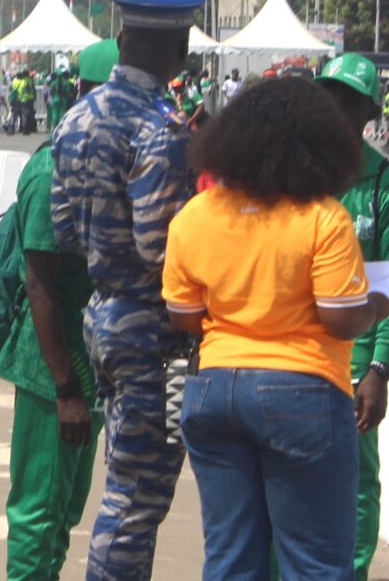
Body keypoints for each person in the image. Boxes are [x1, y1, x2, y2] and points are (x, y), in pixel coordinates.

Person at [163, 76, 388, 580]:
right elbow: (340, 316)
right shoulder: (323, 218)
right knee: (314, 564)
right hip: (303, 393)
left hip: (213, 393)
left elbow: (182, 316)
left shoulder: (195, 216)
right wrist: (376, 302)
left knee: (230, 560)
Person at [51, 0, 205, 581]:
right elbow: (160, 246)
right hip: (153, 333)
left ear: (121, 37)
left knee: (125, 489)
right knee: (139, 499)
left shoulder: (77, 118)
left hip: (105, 316)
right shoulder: (162, 128)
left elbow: (65, 232)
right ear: (180, 49)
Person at [0, 46, 119, 581]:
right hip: (54, 370)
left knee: (65, 511)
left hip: (86, 368)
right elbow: (39, 286)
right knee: (39, 514)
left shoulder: (104, 161)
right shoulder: (52, 170)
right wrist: (67, 388)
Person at [315, 54, 389, 581]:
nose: (336, 109)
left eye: (348, 100)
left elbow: (387, 285)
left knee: (357, 485)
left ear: (370, 109)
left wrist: (380, 369)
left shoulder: (380, 180)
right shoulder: (298, 170)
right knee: (294, 480)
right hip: (296, 355)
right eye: (328, 97)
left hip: (356, 361)